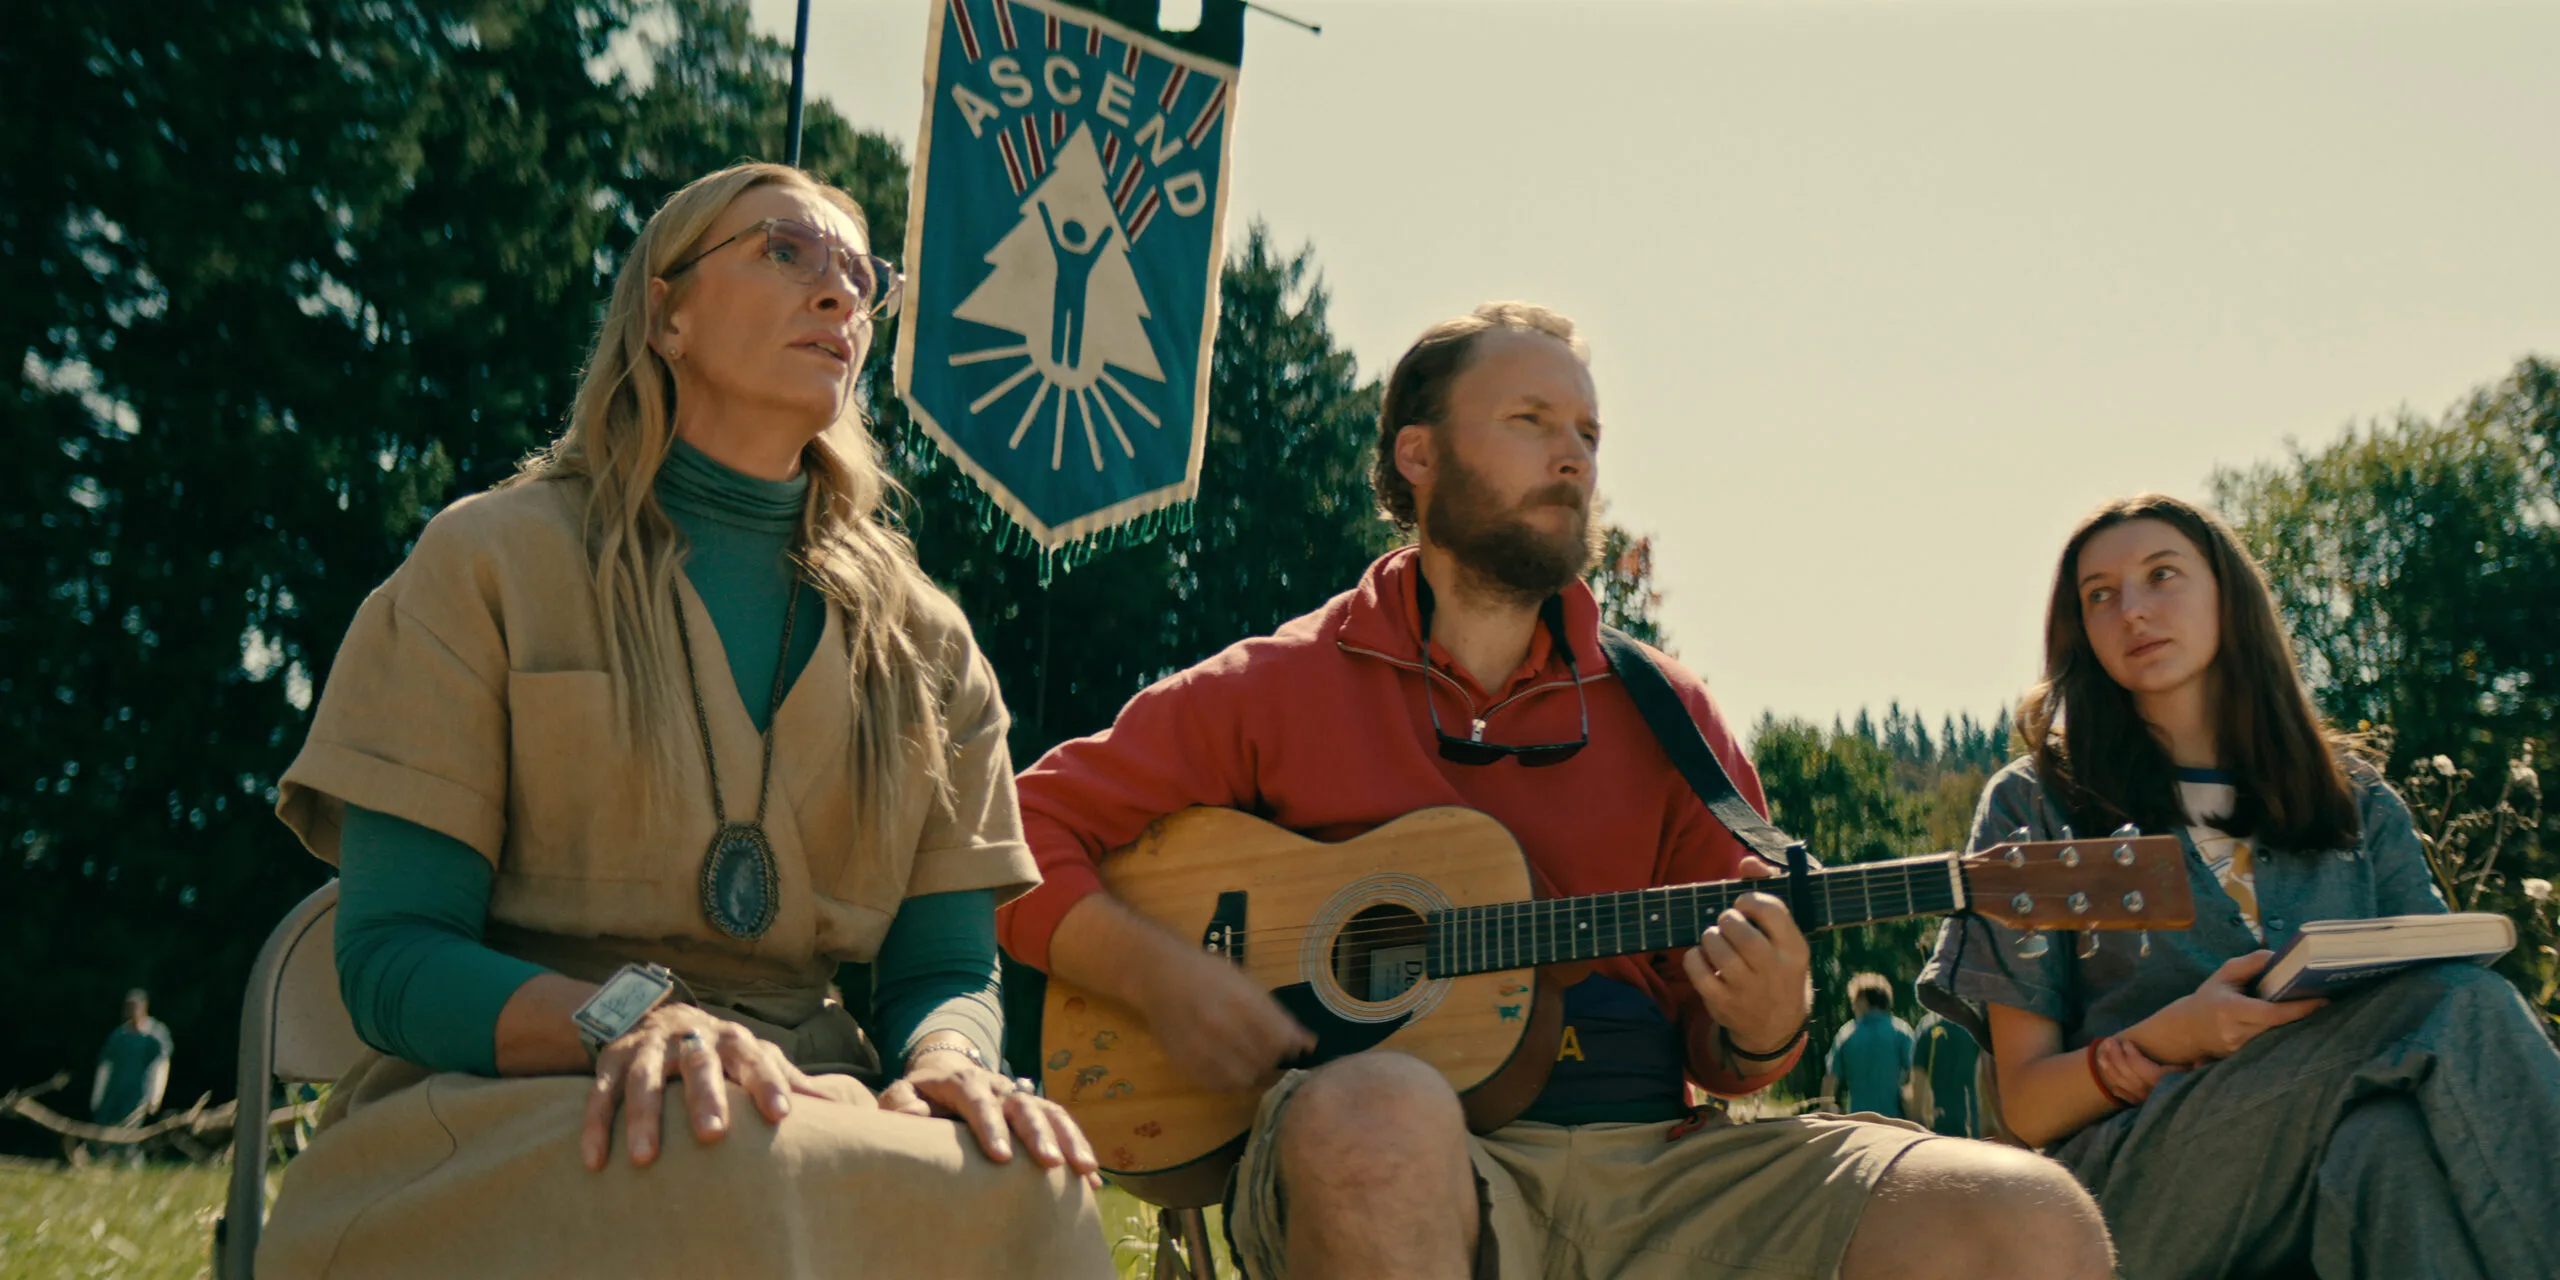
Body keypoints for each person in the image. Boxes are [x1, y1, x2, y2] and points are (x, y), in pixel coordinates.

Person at [998, 303, 2114, 1279]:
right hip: (1398, 1153)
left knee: (2025, 1216)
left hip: (1658, 1165)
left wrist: (1766, 1021)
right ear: (1418, 454)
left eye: (1588, 433)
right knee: (1378, 1112)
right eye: (1531, 421)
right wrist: (1166, 977)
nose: (1573, 456)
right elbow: (1003, 833)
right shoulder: (1273, 685)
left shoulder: (1668, 710)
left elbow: (1728, 1051)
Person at [257, 163, 1112, 1279]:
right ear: (666, 313)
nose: (838, 293)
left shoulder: (928, 641)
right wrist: (629, 1019)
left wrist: (951, 1055)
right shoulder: (488, 561)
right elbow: (390, 955)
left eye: (862, 274)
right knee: (724, 1151)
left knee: (1032, 1187)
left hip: (810, 1091)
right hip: (501, 1096)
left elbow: (943, 963)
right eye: (785, 251)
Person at [1919, 493, 2560, 1280]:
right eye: (2100, 595)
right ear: (2080, 630)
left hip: (2328, 1161)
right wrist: (2168, 1037)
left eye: (2162, 575)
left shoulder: (2356, 802)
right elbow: (2025, 1104)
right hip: (2137, 1192)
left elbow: (2430, 998)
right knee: (2461, 1005)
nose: (2133, 611)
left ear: (2229, 595)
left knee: (2385, 1146)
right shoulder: (2035, 803)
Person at [89, 989, 173, 1165]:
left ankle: (132, 1167)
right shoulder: (119, 1037)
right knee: (105, 1131)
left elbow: (161, 1065)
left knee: (130, 1132)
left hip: (138, 1093)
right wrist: (97, 1096)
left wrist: (156, 1096)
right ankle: (103, 1165)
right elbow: (105, 1067)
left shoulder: (154, 1036)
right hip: (114, 1093)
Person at [1821, 973, 1915, 1119]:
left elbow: (1830, 1079)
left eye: (1854, 1001)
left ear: (1863, 1000)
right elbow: (1917, 1072)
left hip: (1858, 1122)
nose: (1853, 1006)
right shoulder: (1901, 1032)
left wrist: (1827, 1111)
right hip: (1896, 1124)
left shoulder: (1847, 1034)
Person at [1911, 1009, 1980, 1138]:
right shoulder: (1977, 1033)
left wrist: (1918, 1121)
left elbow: (1918, 1085)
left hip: (1940, 1123)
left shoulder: (1927, 1033)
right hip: (1974, 1123)